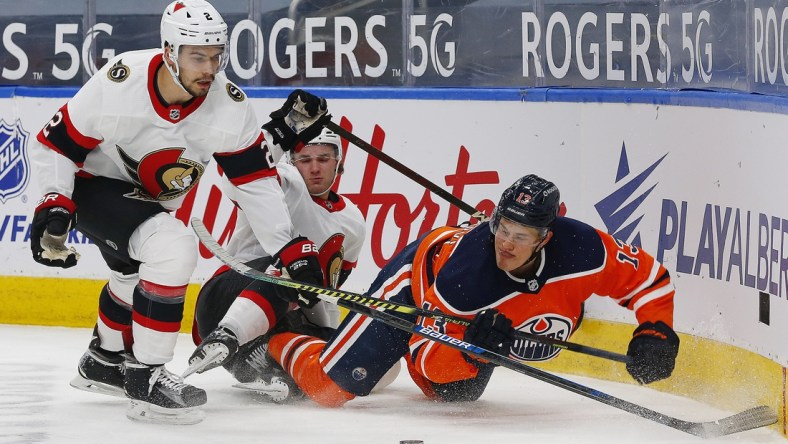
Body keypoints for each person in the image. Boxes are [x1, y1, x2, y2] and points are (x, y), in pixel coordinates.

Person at [28, 0, 330, 424]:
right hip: (92, 186)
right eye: (197, 56)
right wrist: (54, 200)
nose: (209, 67)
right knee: (172, 248)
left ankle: (103, 360)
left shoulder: (228, 104)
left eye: (216, 55)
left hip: (149, 200)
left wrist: (288, 247)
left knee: (132, 275)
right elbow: (55, 144)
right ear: (169, 52)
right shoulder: (121, 81)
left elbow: (253, 181)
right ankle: (147, 376)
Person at [260, 174, 680, 407]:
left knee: (456, 396)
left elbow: (650, 281)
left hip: (475, 320)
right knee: (327, 389)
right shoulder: (467, 276)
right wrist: (470, 350)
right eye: (502, 228)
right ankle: (279, 333)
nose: (505, 243)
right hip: (416, 285)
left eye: (520, 235)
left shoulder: (585, 250)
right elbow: (428, 359)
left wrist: (655, 331)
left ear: (546, 238)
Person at [185, 127, 366, 402]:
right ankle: (226, 335)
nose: (315, 168)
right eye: (305, 159)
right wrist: (284, 131)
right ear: (292, 162)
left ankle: (268, 367)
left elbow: (326, 293)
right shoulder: (282, 183)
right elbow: (237, 179)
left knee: (341, 362)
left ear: (339, 162)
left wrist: (330, 339)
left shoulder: (353, 221)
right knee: (296, 259)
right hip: (227, 296)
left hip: (278, 317)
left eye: (324, 158)